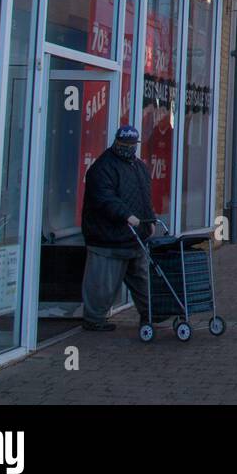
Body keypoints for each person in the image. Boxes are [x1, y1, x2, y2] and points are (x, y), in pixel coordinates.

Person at [80, 125, 157, 332]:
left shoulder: (138, 167)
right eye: (125, 144)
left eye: (132, 145)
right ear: (116, 142)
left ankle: (150, 314)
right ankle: (94, 319)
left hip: (134, 237)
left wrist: (149, 221)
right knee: (102, 283)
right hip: (108, 237)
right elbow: (104, 199)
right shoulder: (102, 167)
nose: (128, 148)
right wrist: (127, 216)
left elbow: (144, 197)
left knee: (142, 279)